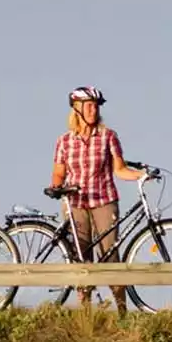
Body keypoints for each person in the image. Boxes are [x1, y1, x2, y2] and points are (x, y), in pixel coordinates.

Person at [50, 86, 146, 307]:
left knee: (110, 256)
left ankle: (122, 308)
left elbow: (119, 169)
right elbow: (58, 172)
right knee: (81, 259)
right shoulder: (63, 142)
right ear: (77, 109)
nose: (94, 110)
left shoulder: (108, 137)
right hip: (75, 203)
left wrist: (140, 176)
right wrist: (56, 186)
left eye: (96, 106)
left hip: (103, 200)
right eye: (89, 106)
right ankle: (86, 312)